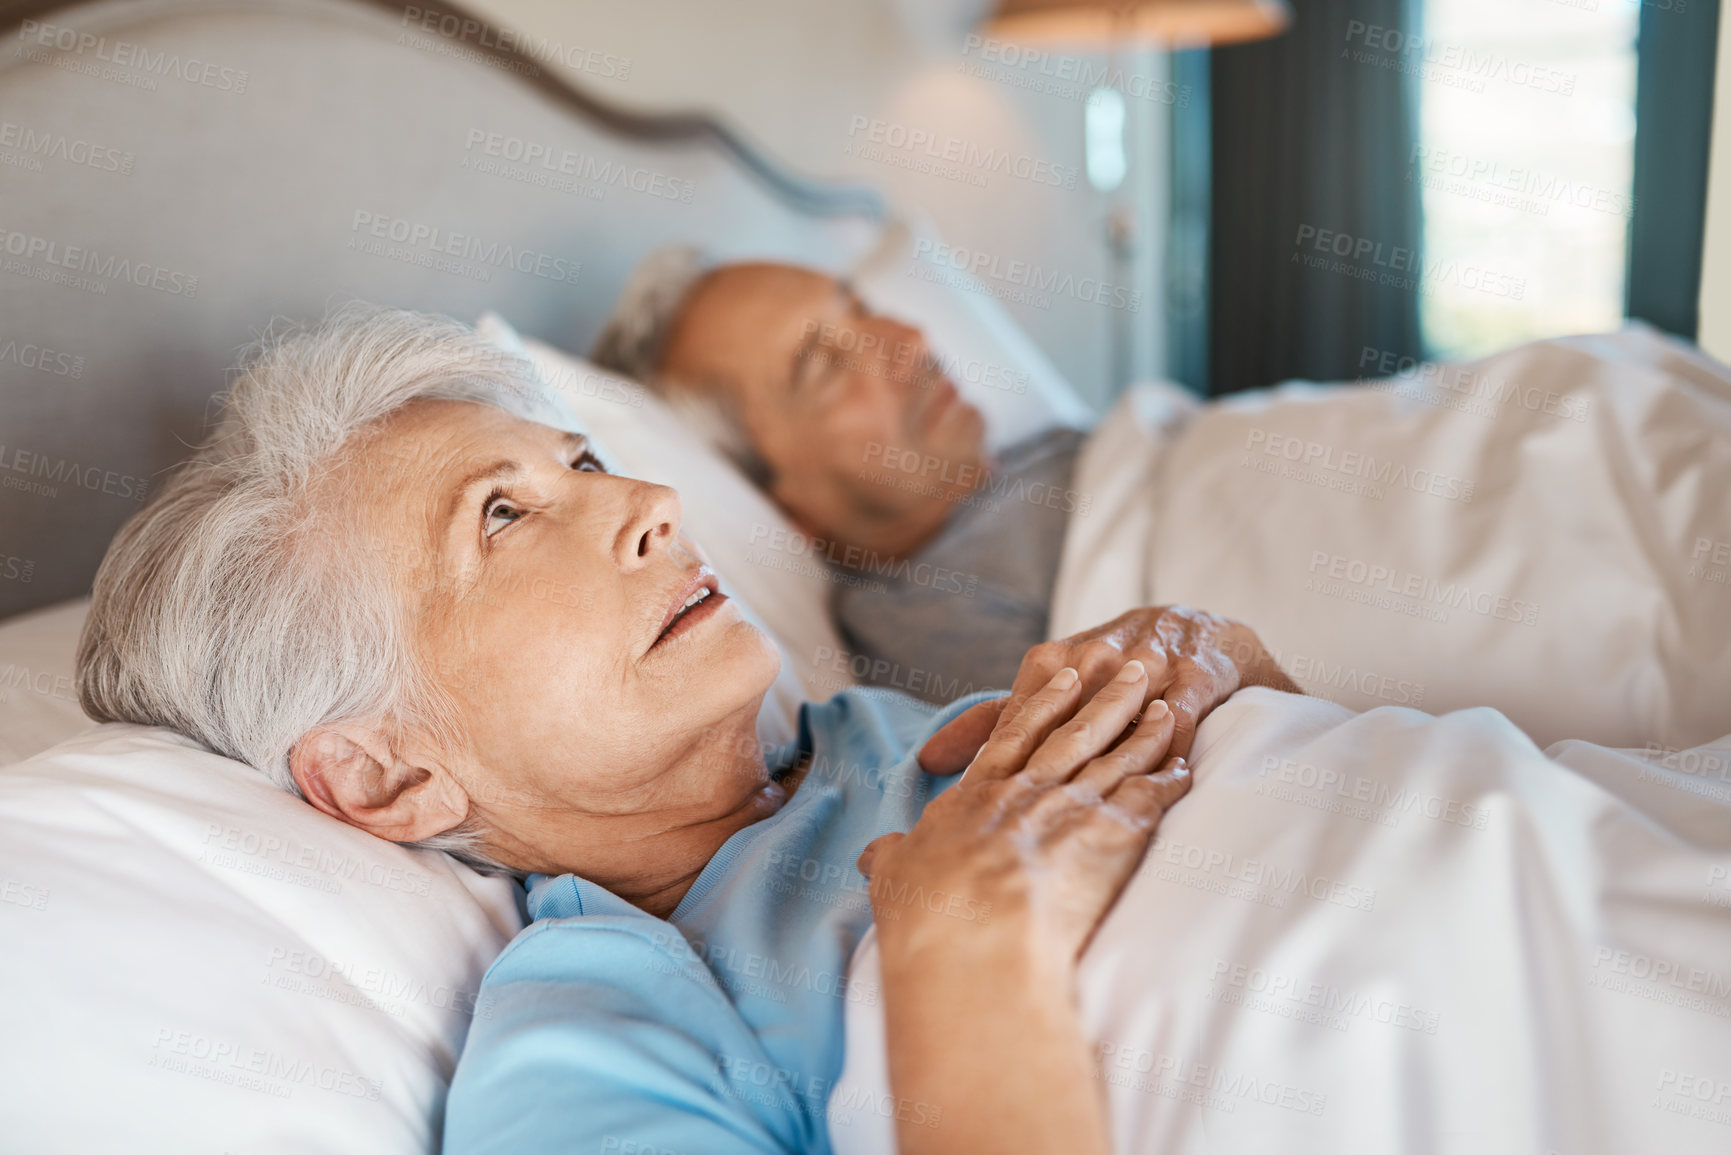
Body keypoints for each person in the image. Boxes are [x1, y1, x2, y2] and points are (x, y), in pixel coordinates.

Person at [75, 305, 1298, 1155]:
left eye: (588, 462)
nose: (652, 502)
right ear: (391, 776)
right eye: (501, 518)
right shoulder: (602, 1018)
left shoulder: (878, 734)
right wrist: (966, 956)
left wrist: (1231, 666)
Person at [591, 248, 1082, 704]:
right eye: (827, 366)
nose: (911, 341)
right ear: (783, 506)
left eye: (861, 307)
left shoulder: (1046, 453)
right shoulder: (924, 618)